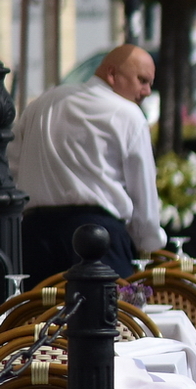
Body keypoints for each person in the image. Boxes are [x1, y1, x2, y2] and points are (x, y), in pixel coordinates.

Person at [18, 42, 167, 279]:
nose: (148, 90)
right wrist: (149, 244)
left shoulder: (43, 104)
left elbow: (13, 166)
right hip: (99, 240)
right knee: (107, 315)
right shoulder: (129, 115)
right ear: (112, 74)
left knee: (37, 314)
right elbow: (143, 195)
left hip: (36, 239)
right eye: (142, 80)